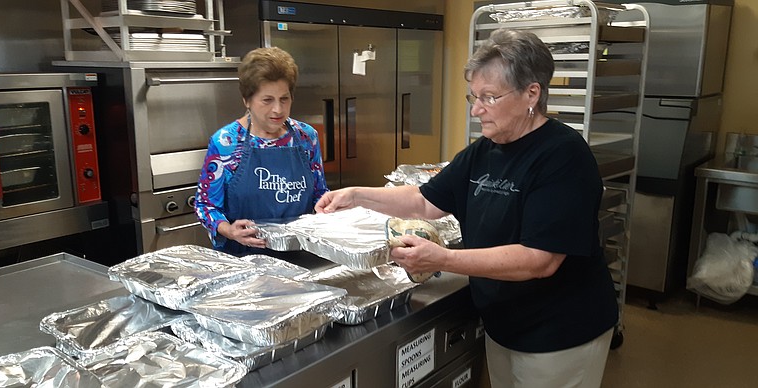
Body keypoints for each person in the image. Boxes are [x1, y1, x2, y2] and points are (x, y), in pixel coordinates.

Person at [315, 28, 618, 388]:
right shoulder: (485, 149)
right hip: (503, 323)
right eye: (473, 97)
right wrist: (357, 194)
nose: (476, 110)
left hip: (559, 332)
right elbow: (424, 201)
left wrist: (442, 259)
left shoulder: (563, 155)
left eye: (489, 97)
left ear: (531, 93)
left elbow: (540, 260)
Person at [195, 46, 328, 256]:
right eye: (267, 100)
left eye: (284, 99)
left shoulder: (306, 137)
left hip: (300, 256)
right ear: (247, 100)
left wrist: (328, 210)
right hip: (244, 259)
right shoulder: (226, 143)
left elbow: (320, 193)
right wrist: (228, 230)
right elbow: (205, 205)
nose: (278, 109)